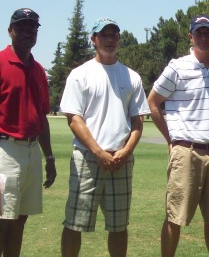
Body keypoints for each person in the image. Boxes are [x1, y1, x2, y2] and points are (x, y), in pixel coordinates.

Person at [147, 14, 209, 257]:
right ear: (191, 36)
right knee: (175, 218)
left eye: (208, 32)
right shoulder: (177, 67)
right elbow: (153, 102)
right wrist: (172, 140)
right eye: (198, 32)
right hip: (186, 152)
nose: (203, 37)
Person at [0, 8, 57, 256]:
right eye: (22, 27)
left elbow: (41, 117)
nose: (28, 33)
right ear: (10, 31)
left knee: (19, 219)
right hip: (3, 151)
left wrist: (49, 157)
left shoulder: (38, 70)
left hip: (30, 152)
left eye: (33, 28)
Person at [59, 17, 150, 257]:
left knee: (119, 226)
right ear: (94, 39)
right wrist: (98, 152)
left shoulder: (131, 77)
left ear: (119, 39)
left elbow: (137, 121)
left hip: (121, 159)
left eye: (113, 35)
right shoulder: (81, 74)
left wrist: (125, 152)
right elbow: (74, 119)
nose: (109, 40)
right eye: (104, 35)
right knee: (74, 223)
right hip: (87, 158)